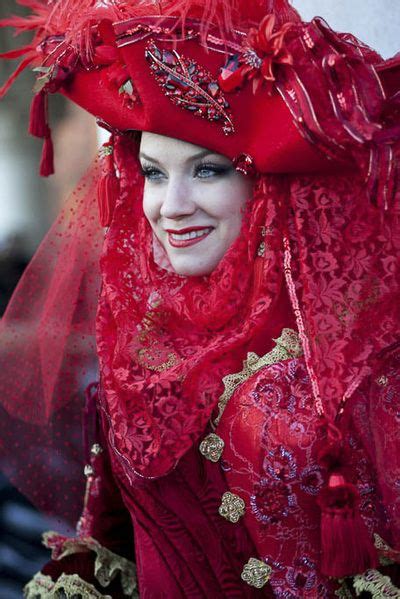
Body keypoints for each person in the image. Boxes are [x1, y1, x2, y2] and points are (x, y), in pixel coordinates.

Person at [0, 0, 399, 597]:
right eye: (155, 173)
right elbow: (110, 546)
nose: (171, 205)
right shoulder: (136, 336)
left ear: (265, 183)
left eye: (207, 170)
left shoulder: (357, 347)